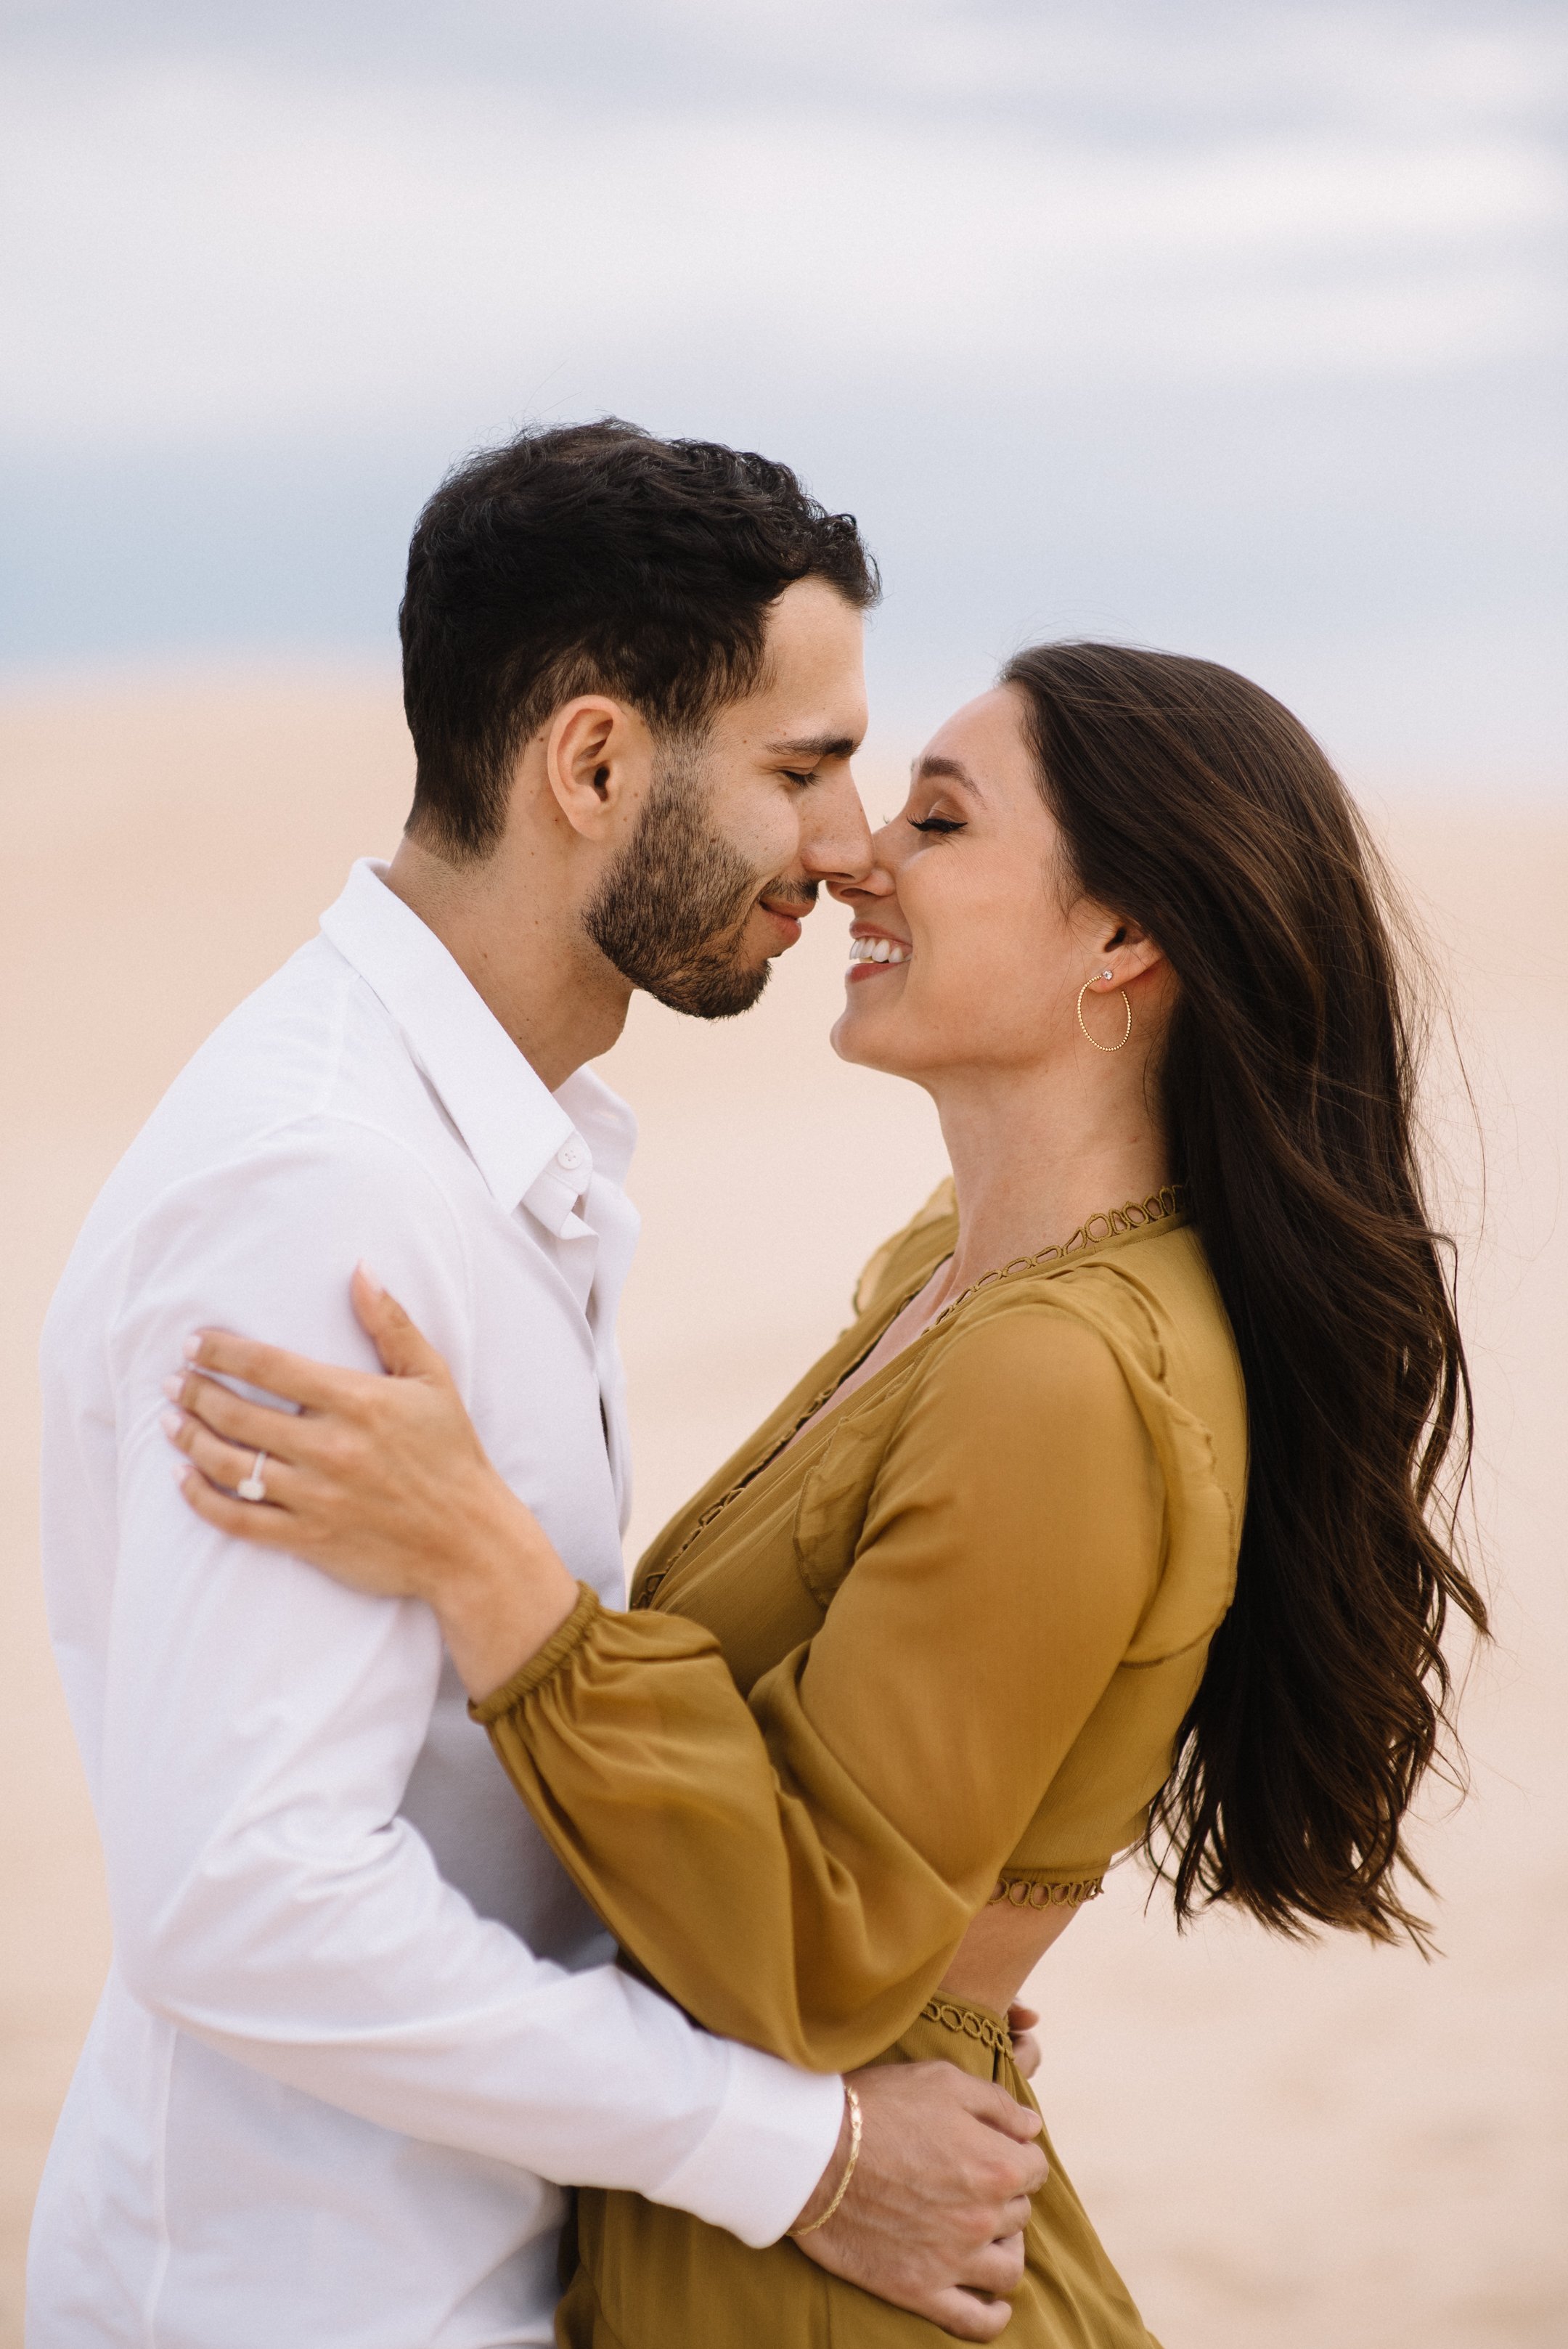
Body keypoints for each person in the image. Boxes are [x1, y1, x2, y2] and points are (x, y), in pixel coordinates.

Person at [163, 641, 1486, 2345]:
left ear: (1123, 939)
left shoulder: (1065, 1372)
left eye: (938, 820)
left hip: (829, 2253)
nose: (857, 853)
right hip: (802, 2193)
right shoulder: (958, 1278)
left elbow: (825, 1940)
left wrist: (485, 1563)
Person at [30, 422, 1051, 2349]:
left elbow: (478, 1800)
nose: (845, 850)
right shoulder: (324, 1190)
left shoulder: (492, 1147)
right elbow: (247, 1891)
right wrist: (804, 2145)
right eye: (802, 768)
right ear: (593, 761)